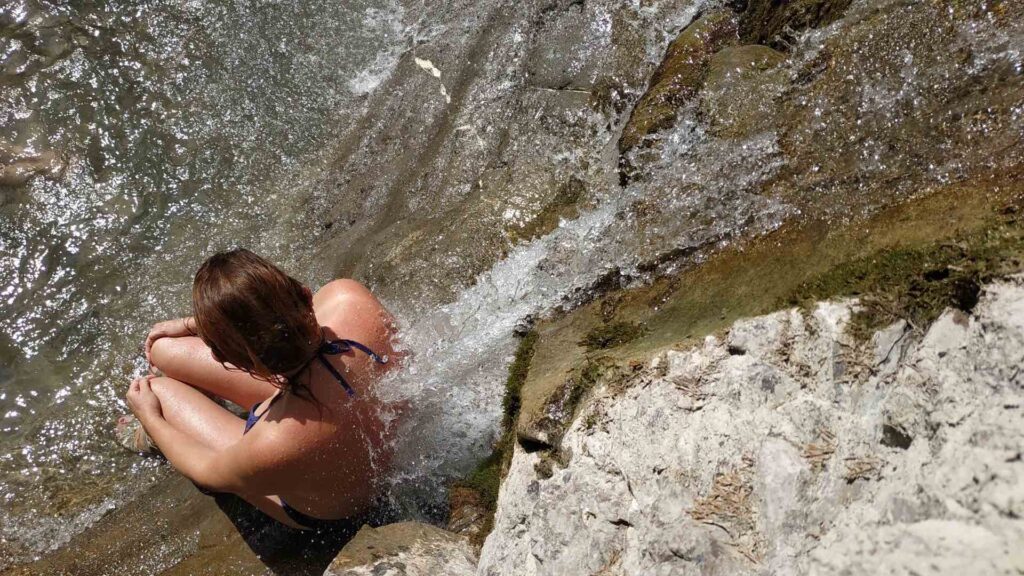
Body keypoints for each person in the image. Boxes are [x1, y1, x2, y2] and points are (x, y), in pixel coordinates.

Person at [117, 248, 400, 531]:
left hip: (338, 509)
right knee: (163, 348)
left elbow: (205, 469)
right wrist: (195, 326)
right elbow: (288, 327)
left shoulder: (273, 443)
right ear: (304, 292)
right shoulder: (348, 297)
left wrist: (151, 417)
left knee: (158, 391)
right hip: (371, 437)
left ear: (227, 359)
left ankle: (156, 431)